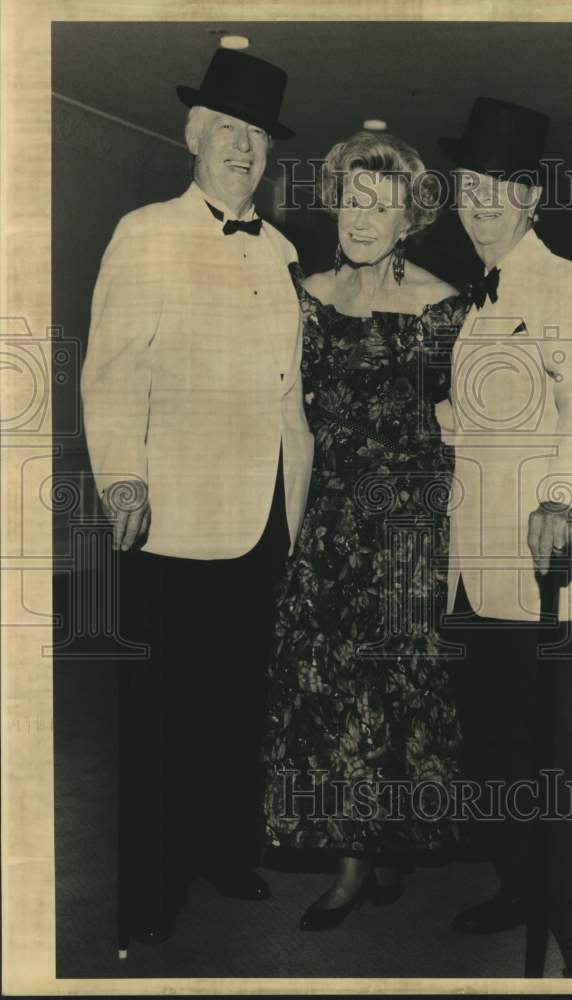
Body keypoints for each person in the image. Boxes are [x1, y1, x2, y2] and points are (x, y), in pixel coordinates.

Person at [80, 48, 314, 946]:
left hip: (263, 519)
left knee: (236, 705)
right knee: (157, 718)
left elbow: (291, 398)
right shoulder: (145, 233)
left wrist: (304, 512)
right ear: (194, 137)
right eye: (228, 131)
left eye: (257, 135)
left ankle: (223, 849)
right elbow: (112, 370)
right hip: (171, 517)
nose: (244, 149)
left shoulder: (288, 251)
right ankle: (146, 893)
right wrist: (123, 478)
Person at [260, 129, 469, 931]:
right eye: (352, 198)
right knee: (332, 687)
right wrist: (295, 532)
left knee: (395, 687)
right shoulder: (304, 295)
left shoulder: (443, 303)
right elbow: (294, 422)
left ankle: (378, 847)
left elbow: (461, 422)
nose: (361, 216)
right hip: (333, 516)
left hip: (410, 520)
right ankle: (354, 860)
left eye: (380, 205)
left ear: (407, 218)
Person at [436, 97, 572, 977]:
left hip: (552, 566)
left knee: (569, 762)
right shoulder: (471, 298)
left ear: (532, 198)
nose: (479, 202)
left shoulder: (563, 284)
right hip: (476, 574)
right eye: (469, 184)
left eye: (499, 187)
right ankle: (519, 884)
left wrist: (564, 501)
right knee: (502, 749)